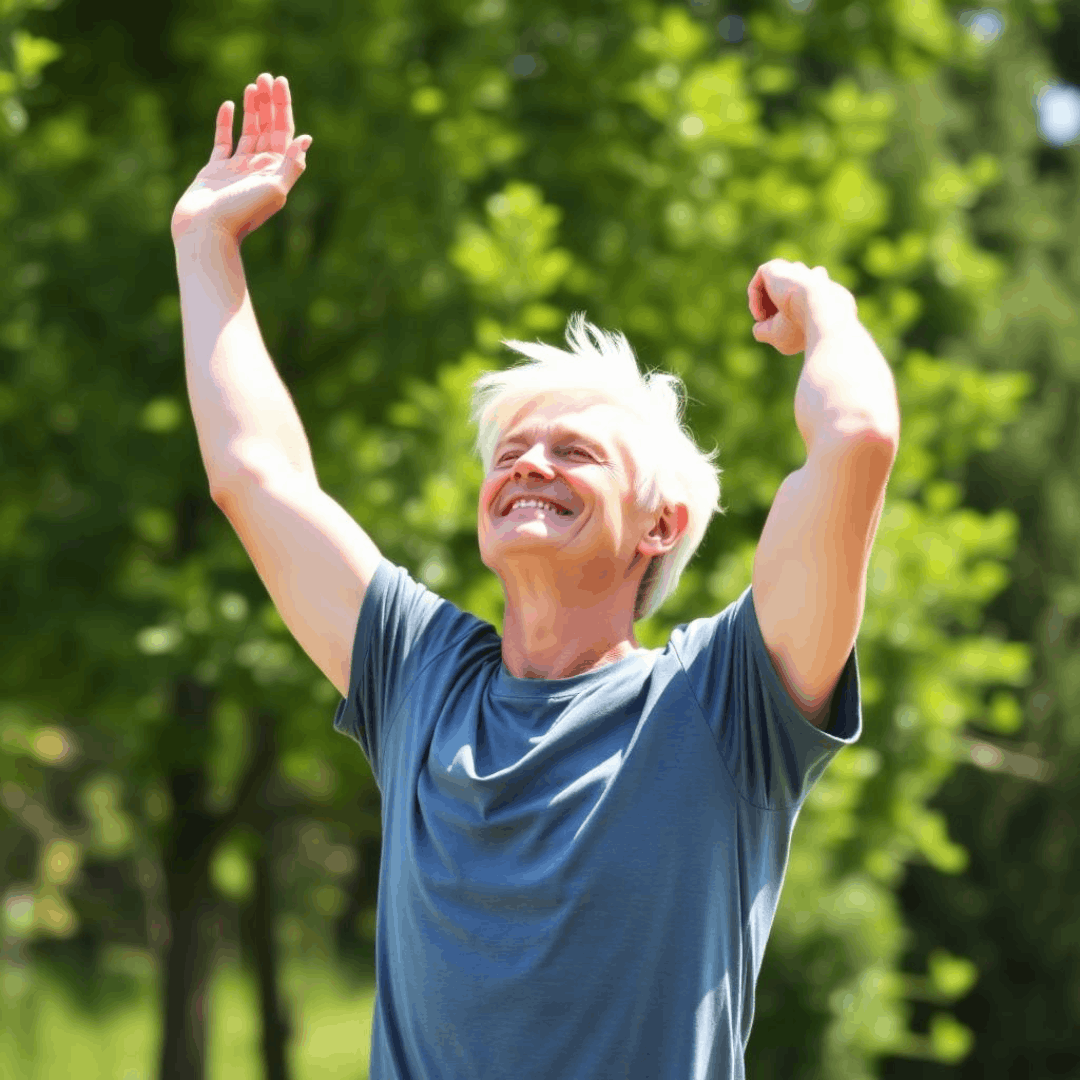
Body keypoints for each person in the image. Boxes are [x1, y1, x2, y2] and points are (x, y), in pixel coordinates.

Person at [172, 73, 900, 1080]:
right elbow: (253, 474)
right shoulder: (419, 676)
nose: (529, 464)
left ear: (664, 525)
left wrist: (827, 314)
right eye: (511, 452)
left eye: (576, 452)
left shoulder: (728, 703)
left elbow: (857, 437)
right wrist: (204, 245)